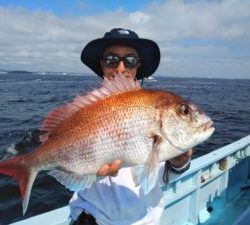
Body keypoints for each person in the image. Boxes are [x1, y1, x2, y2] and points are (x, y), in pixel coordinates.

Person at [69, 28, 193, 225]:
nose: (120, 68)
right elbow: (67, 165)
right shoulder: (84, 111)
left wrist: (180, 161)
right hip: (90, 219)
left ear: (138, 66)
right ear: (102, 64)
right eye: (111, 60)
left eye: (130, 61)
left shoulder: (157, 109)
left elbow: (165, 174)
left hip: (145, 220)